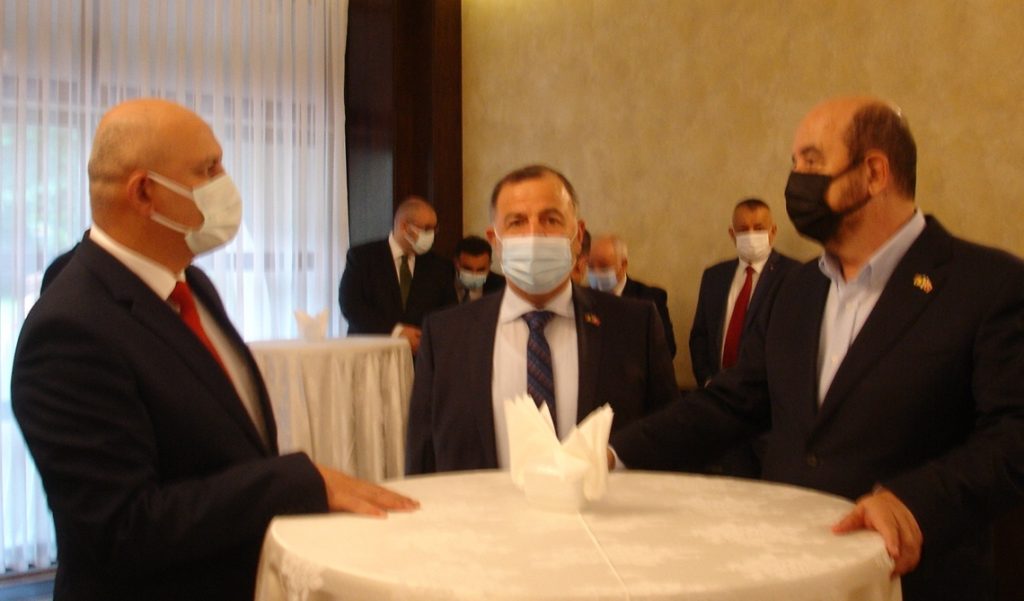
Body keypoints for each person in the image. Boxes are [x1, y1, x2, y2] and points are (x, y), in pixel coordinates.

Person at [609, 96, 1024, 601]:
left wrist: (914, 502)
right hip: (788, 572)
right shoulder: (795, 289)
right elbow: (734, 401)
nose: (795, 180)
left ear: (874, 173)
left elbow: (1012, 433)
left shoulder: (989, 284)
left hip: (913, 580)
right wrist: (613, 453)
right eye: (794, 163)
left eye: (811, 161)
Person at [11, 99, 417, 601]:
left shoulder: (193, 285)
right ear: (145, 192)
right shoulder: (69, 329)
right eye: (208, 169)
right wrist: (295, 482)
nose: (226, 183)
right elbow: (123, 527)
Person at [406, 165, 679, 474]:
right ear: (494, 239)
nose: (534, 234)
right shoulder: (445, 335)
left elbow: (667, 441)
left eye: (551, 220)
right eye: (517, 222)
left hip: (605, 505)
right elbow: (423, 456)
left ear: (578, 236)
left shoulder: (634, 326)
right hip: (477, 506)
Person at [689, 198, 798, 387]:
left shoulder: (793, 275)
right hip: (717, 392)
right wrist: (707, 380)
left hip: (768, 396)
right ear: (732, 234)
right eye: (743, 229)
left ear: (773, 231)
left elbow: (795, 342)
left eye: (759, 228)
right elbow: (700, 335)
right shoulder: (714, 276)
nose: (751, 235)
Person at [338, 196, 457, 354]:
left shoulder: (440, 266)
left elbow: (449, 312)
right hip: (370, 353)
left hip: (420, 356)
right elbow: (351, 305)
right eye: (427, 229)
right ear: (404, 226)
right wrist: (396, 332)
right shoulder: (362, 257)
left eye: (435, 229)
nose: (432, 234)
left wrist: (426, 338)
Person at [587, 234, 677, 359]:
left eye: (604, 266)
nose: (596, 272)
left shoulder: (649, 299)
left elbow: (667, 349)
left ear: (623, 265)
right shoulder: (583, 298)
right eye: (590, 267)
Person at [453, 234, 505, 303]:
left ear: (489, 266)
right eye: (468, 269)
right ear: (456, 263)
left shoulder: (501, 287)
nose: (474, 274)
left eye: (481, 270)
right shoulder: (442, 281)